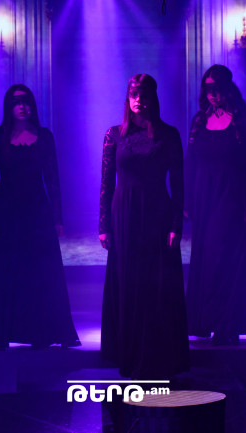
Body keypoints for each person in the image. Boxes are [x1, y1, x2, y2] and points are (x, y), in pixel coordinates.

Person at [0, 85, 79, 350]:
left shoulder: (44, 136)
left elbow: (52, 178)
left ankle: (43, 332)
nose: (22, 106)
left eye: (26, 101)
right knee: (3, 271)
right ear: (9, 106)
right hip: (4, 210)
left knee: (39, 270)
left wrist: (57, 217)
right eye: (16, 101)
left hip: (36, 210)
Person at [99, 74, 190, 379]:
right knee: (128, 283)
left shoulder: (168, 134)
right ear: (128, 98)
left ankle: (158, 357)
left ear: (153, 97)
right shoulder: (114, 134)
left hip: (157, 214)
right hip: (123, 215)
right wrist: (103, 225)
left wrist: (176, 224)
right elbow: (106, 183)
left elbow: (178, 184)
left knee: (156, 285)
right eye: (134, 94)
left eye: (144, 94)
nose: (139, 99)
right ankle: (128, 354)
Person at [184, 65, 246, 346]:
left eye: (217, 88)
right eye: (208, 89)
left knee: (222, 256)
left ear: (228, 88)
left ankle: (226, 323)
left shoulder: (245, 120)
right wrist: (186, 199)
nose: (213, 94)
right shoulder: (200, 120)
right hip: (203, 196)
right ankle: (205, 321)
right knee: (205, 257)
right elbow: (190, 161)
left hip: (232, 196)